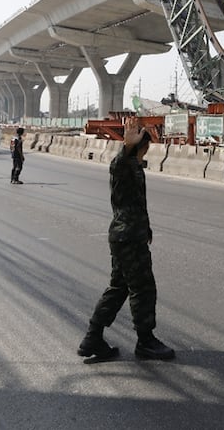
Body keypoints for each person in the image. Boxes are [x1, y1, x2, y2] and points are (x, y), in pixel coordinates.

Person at [78, 116, 175, 362]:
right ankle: (145, 341)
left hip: (129, 235)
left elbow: (136, 203)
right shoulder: (123, 165)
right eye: (146, 147)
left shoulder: (135, 167)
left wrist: (147, 229)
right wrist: (127, 145)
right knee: (143, 288)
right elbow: (119, 165)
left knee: (119, 288)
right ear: (143, 147)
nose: (146, 151)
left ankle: (92, 338)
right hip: (128, 238)